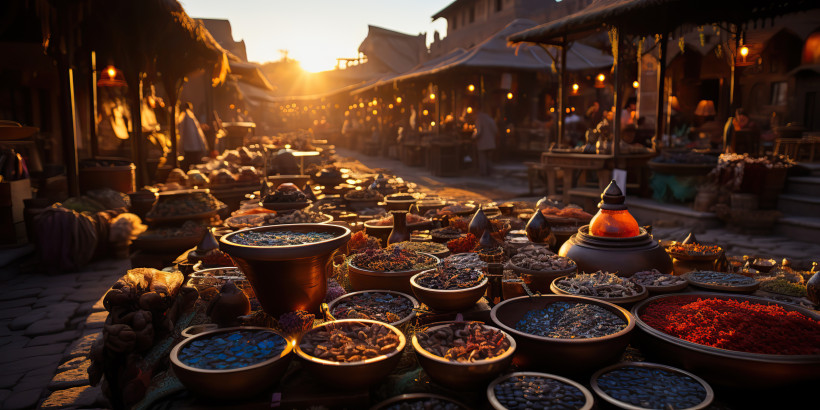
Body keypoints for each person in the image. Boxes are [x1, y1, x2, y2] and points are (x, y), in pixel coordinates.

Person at [177, 102, 208, 170]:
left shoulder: (184, 117)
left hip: (188, 148)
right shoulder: (190, 117)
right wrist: (203, 146)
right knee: (194, 166)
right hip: (194, 148)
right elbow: (198, 133)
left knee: (190, 166)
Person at [471, 107, 498, 177]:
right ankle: (490, 172)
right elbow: (495, 130)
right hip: (491, 143)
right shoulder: (490, 119)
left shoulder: (479, 119)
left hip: (483, 143)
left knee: (482, 158)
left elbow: (478, 131)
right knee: (489, 158)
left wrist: (473, 137)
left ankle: (483, 173)